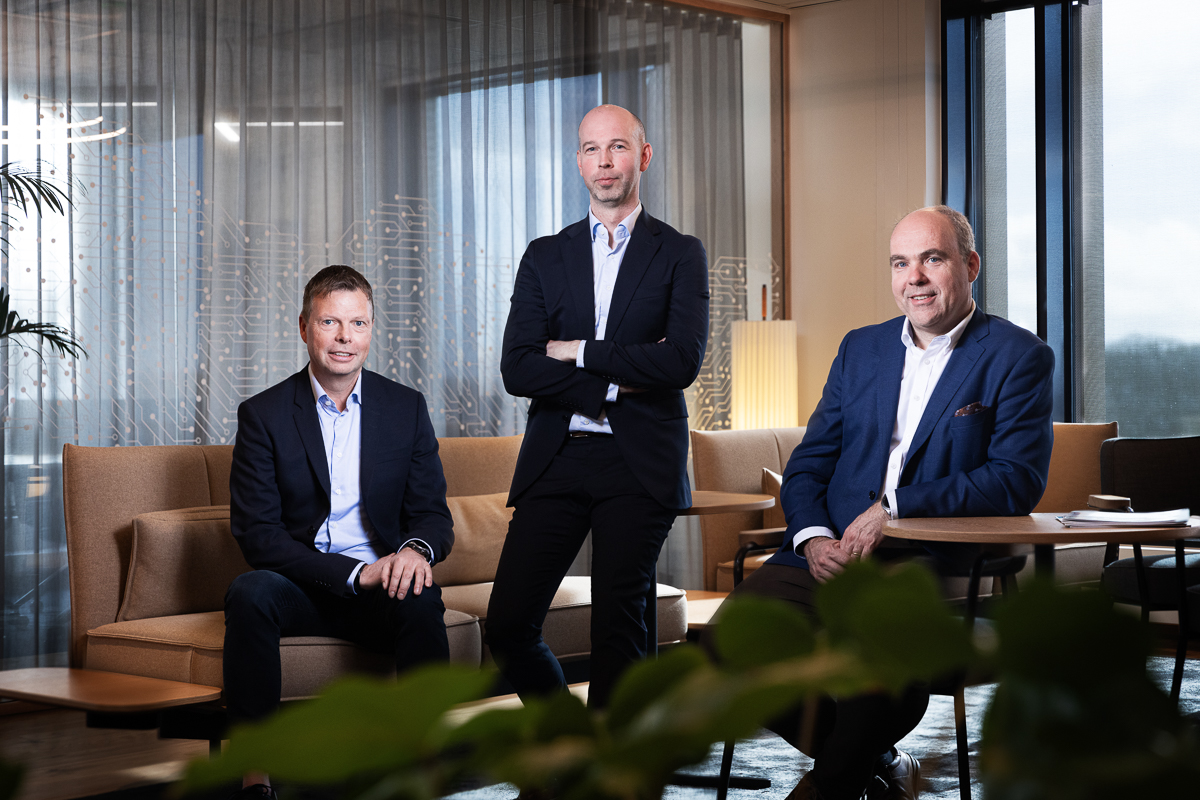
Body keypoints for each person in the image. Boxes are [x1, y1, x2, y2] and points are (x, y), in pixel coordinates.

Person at [711, 206, 1055, 800]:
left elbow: (1014, 480)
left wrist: (895, 507)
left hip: (923, 557)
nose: (913, 277)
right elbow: (809, 463)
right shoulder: (860, 349)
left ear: (970, 265)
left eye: (932, 259)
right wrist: (812, 537)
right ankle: (873, 759)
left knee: (875, 666)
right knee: (726, 646)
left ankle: (831, 785)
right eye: (900, 263)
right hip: (827, 553)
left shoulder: (1018, 355)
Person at [486, 104, 710, 709]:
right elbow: (518, 367)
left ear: (644, 155)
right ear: (579, 161)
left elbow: (680, 363)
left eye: (617, 147)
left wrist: (578, 351)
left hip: (639, 461)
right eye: (591, 149)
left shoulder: (679, 253)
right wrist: (611, 383)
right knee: (507, 625)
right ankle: (573, 742)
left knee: (619, 629)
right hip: (557, 455)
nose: (604, 162)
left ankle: (616, 760)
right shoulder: (544, 255)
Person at [225, 265, 454, 799]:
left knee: (422, 595)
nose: (344, 337)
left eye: (357, 323)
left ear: (372, 329)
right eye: (330, 322)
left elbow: (432, 515)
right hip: (302, 584)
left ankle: (424, 766)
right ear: (305, 327)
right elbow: (258, 535)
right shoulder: (263, 415)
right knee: (249, 592)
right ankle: (256, 778)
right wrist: (355, 573)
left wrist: (413, 553)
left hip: (384, 586)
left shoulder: (405, 408)